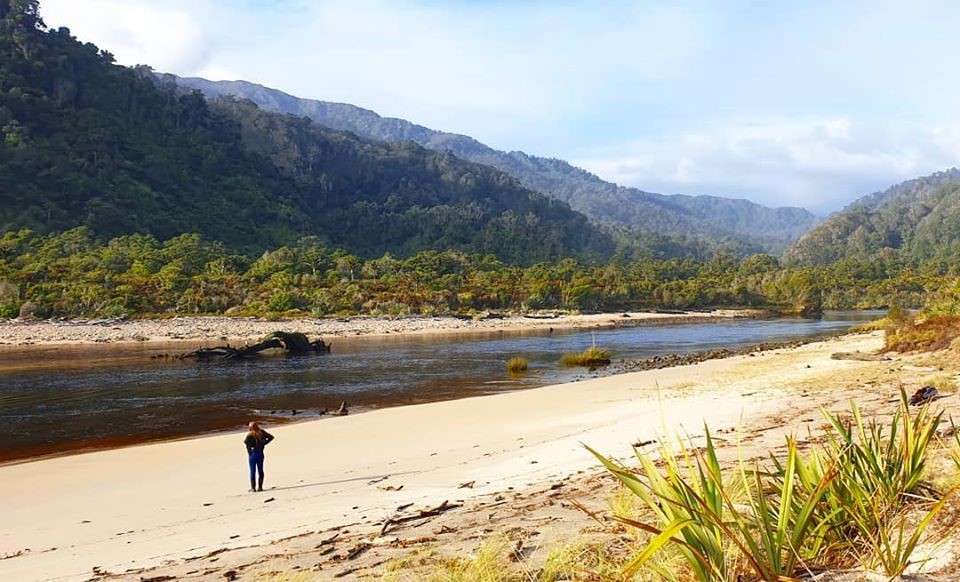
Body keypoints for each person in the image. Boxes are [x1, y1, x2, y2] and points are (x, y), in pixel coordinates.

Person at [244, 421, 274, 492]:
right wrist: (264, 443)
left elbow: (247, 446)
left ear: (250, 428)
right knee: (260, 470)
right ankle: (260, 487)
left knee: (252, 471)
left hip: (253, 454)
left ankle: (253, 488)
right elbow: (271, 437)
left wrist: (250, 454)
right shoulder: (261, 432)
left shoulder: (249, 435)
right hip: (260, 453)